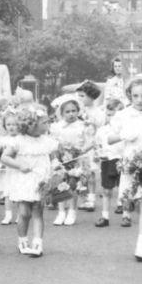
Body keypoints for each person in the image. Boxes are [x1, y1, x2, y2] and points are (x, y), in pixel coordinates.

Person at [106, 74, 142, 261]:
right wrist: (123, 135)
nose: (140, 100)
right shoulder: (123, 115)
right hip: (130, 162)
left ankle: (141, 243)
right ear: (129, 95)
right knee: (135, 202)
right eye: (136, 96)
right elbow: (109, 138)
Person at [1, 104, 59, 257]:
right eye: (44, 122)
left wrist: (57, 167)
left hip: (40, 180)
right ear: (32, 125)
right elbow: (5, 157)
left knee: (38, 211)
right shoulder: (18, 141)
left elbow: (53, 158)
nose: (48, 125)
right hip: (23, 179)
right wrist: (20, 165)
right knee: (24, 213)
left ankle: (38, 243)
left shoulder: (47, 141)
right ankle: (22, 240)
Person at [49, 95, 86, 226]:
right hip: (61, 157)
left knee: (73, 184)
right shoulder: (57, 127)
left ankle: (72, 211)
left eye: (73, 111)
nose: (71, 114)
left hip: (76, 158)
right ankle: (61, 211)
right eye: (67, 112)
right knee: (59, 183)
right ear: (62, 113)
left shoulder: (82, 126)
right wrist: (55, 158)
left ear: (78, 111)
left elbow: (86, 143)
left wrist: (80, 155)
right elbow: (53, 143)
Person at [94, 98, 125, 228]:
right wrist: (99, 154)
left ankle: (126, 215)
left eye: (115, 116)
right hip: (108, 161)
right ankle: (105, 216)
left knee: (124, 189)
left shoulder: (125, 130)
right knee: (106, 190)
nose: (111, 118)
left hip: (122, 161)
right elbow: (98, 145)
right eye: (109, 114)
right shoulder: (102, 130)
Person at [76, 80, 104, 211]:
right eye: (79, 96)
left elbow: (100, 130)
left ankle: (91, 199)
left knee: (91, 173)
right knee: (82, 173)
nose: (80, 98)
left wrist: (90, 123)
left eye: (82, 96)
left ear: (91, 96)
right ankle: (84, 198)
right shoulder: (79, 111)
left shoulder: (98, 112)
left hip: (91, 144)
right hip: (80, 144)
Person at [0, 110, 21, 225]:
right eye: (9, 124)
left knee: (19, 192)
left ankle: (20, 215)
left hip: (18, 168)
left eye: (15, 124)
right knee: (7, 193)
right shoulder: (3, 140)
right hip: (7, 170)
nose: (12, 127)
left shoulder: (21, 139)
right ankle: (8, 214)